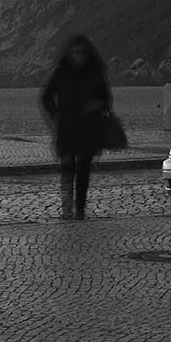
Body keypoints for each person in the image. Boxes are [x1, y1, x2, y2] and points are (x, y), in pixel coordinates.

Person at [39, 35, 113, 220]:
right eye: (75, 52)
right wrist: (55, 116)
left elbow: (106, 98)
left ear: (88, 53)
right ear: (68, 53)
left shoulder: (95, 73)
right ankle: (67, 208)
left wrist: (96, 105)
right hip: (66, 127)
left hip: (89, 127)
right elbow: (46, 97)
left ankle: (79, 208)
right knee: (67, 168)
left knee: (83, 169)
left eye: (81, 52)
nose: (78, 55)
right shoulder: (60, 73)